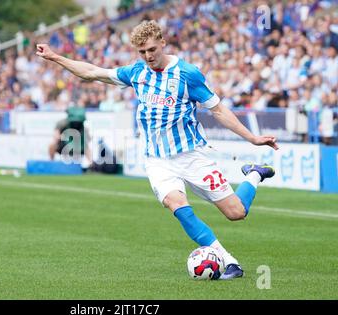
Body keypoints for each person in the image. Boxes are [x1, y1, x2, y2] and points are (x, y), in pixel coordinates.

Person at [36, 20, 279, 280]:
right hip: (157, 160)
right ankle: (229, 261)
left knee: (236, 213)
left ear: (163, 42)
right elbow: (92, 72)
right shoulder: (137, 72)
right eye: (142, 52)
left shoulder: (187, 74)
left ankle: (254, 174)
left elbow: (218, 109)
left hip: (191, 155)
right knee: (176, 203)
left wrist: (252, 138)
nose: (148, 56)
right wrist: (55, 57)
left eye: (152, 49)